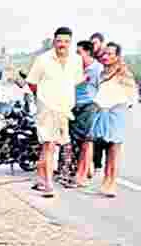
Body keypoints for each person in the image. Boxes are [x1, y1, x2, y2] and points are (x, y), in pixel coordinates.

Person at [26, 27, 81, 198]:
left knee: (52, 146)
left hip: (65, 109)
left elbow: (75, 81)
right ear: (54, 42)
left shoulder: (76, 60)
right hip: (47, 108)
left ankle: (41, 179)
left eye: (66, 41)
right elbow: (32, 82)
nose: (62, 45)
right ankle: (48, 184)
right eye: (59, 41)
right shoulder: (43, 60)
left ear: (70, 43)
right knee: (49, 144)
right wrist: (42, 98)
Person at [87, 42, 137, 197]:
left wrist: (118, 106)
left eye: (110, 54)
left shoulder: (124, 74)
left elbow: (131, 96)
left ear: (117, 56)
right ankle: (105, 180)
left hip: (116, 113)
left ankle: (112, 183)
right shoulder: (102, 73)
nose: (106, 57)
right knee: (99, 146)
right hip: (101, 113)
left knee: (113, 150)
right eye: (105, 53)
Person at [62, 40, 103, 188]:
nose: (77, 56)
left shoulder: (97, 69)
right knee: (75, 142)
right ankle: (79, 171)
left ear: (88, 53)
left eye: (79, 53)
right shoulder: (75, 68)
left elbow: (102, 89)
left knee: (87, 141)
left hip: (89, 106)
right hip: (74, 106)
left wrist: (98, 106)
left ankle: (81, 176)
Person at [89, 31, 110, 176]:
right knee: (92, 132)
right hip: (92, 99)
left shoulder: (106, 58)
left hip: (105, 100)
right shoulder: (91, 58)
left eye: (95, 43)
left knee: (102, 133)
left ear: (102, 43)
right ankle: (92, 162)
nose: (93, 46)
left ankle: (98, 163)